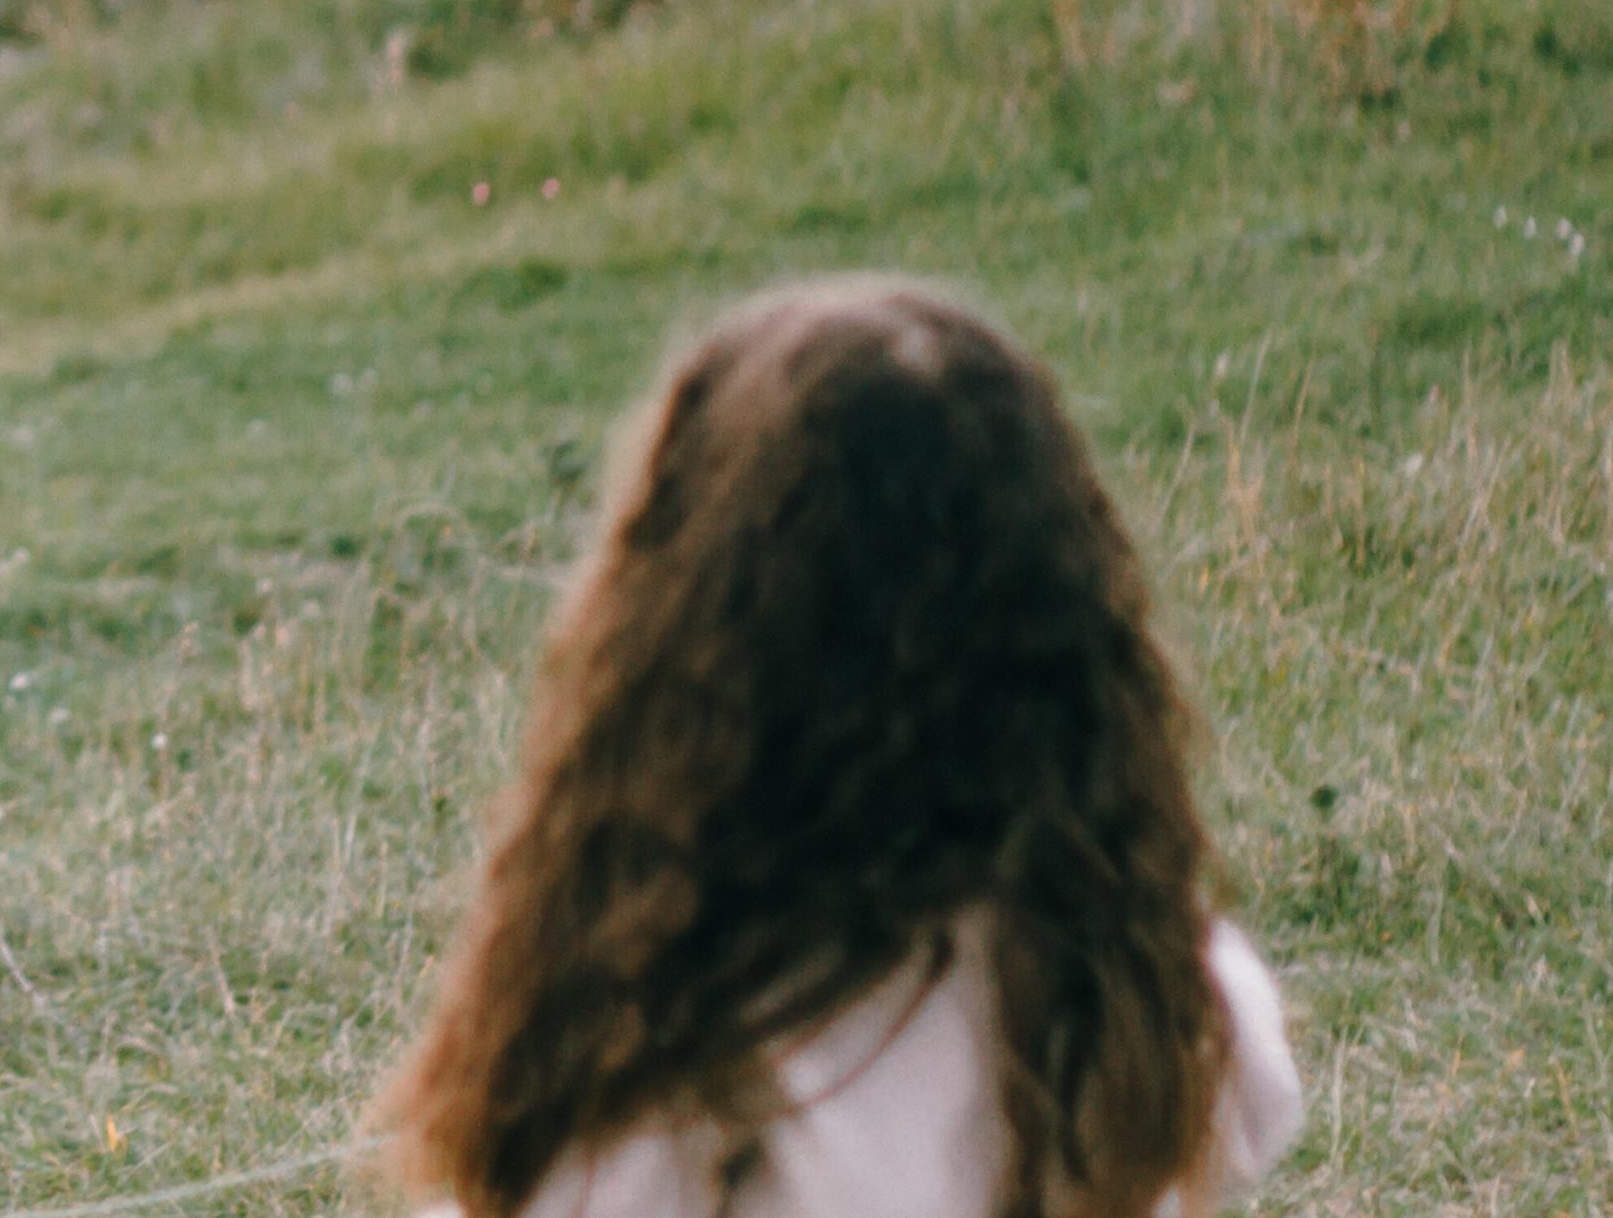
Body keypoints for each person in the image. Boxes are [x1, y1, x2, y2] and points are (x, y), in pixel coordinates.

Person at [376, 277, 1304, 1218]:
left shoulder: (668, 1058)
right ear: (1065, 634)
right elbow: (1261, 1097)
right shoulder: (1144, 987)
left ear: (692, 645)